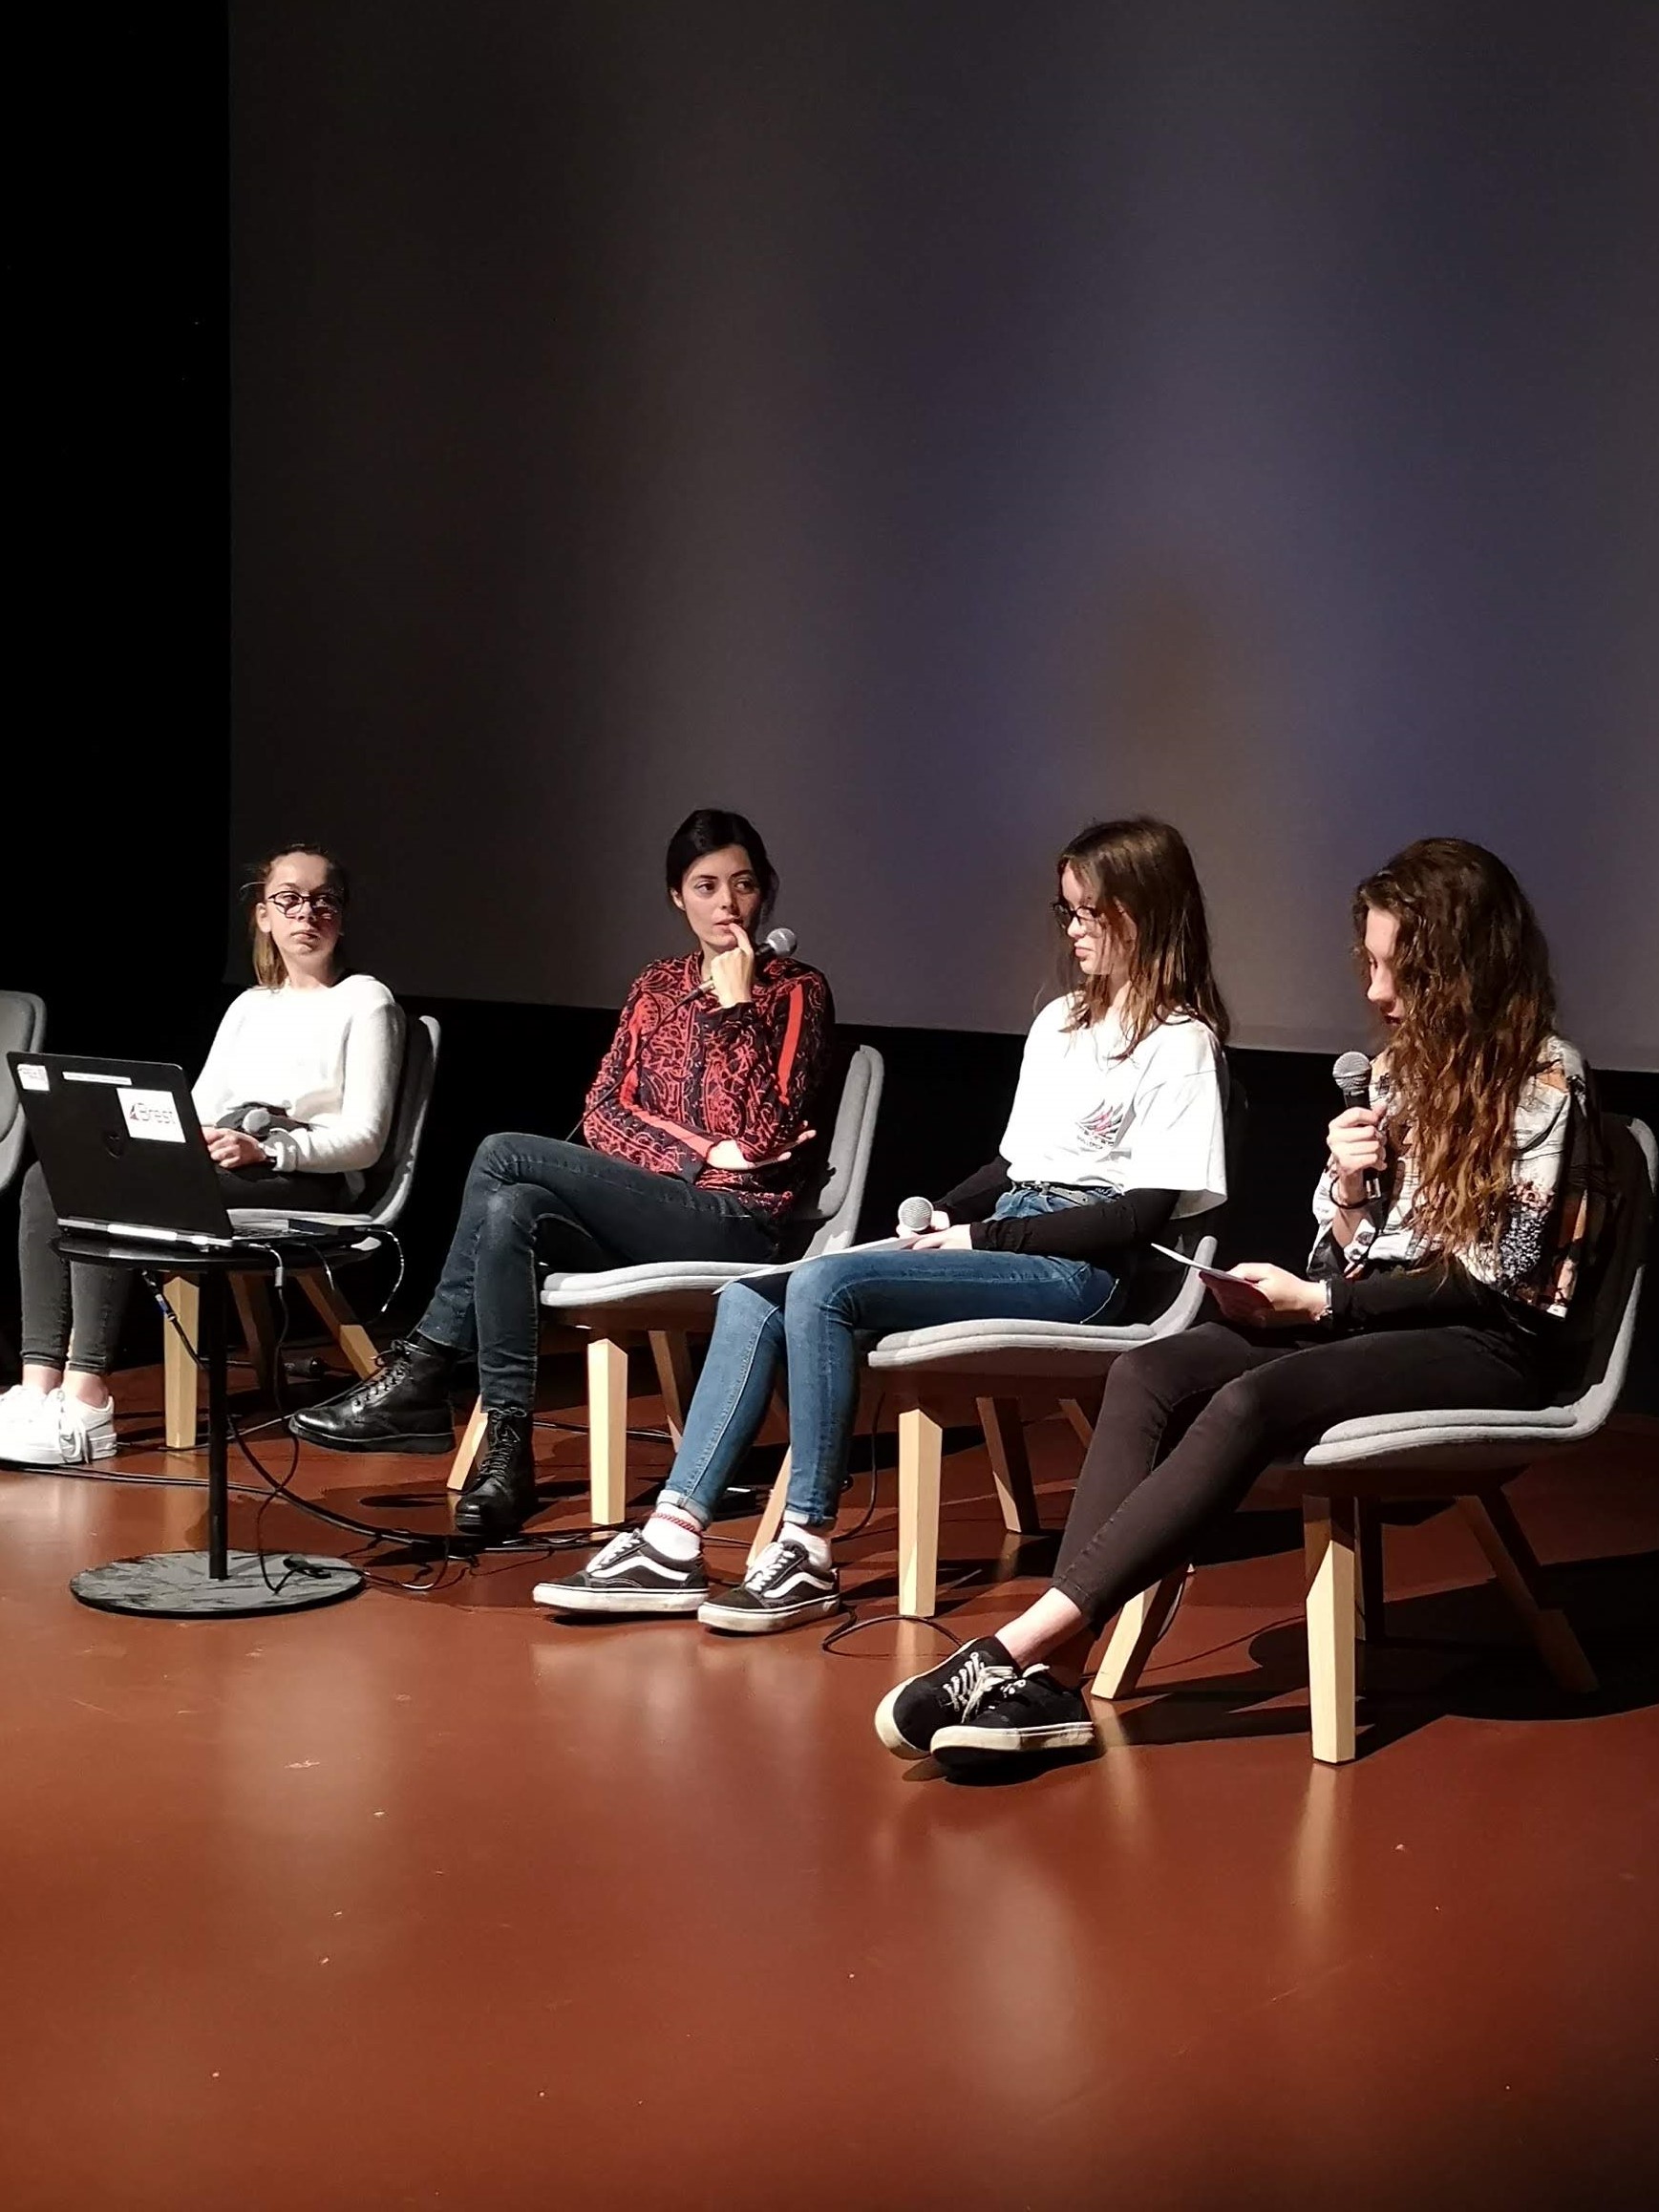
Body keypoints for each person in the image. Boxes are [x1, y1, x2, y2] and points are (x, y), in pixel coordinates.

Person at [877, 837, 1606, 1770]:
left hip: (1492, 1339)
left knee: (1251, 1400)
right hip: (1380, 1314)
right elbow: (1345, 1258)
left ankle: (1016, 1651)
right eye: (1371, 966)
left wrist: (1325, 1305)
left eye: (1401, 971)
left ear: (1467, 966)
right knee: (1151, 1367)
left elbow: (1492, 1275)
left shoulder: (1543, 1075)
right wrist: (1346, 1199)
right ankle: (1053, 1687)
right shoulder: (1393, 1075)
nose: (1378, 995)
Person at [539, 816, 1230, 1631]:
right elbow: (1013, 1168)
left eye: (1089, 914)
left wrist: (980, 1239)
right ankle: (672, 1538)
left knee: (827, 1284)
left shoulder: (1182, 1042)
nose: (1073, 931)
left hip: (1086, 1272)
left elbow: (1139, 1214)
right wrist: (946, 1212)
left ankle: (804, 1548)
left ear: (1143, 913)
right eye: (1066, 913)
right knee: (751, 1299)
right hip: (1016, 1230)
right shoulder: (1061, 1022)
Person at [290, 809, 834, 1541]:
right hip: (661, 1200)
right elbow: (604, 1110)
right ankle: (507, 1457)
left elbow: (768, 1134)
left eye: (741, 885)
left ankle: (423, 1370)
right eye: (705, 886)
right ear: (678, 897)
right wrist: (698, 1153)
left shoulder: (795, 991)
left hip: (739, 1221)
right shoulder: (656, 986)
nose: (726, 904)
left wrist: (737, 1006)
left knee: (502, 1151)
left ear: (765, 890)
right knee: (512, 1207)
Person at [0, 845, 402, 1470]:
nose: (308, 912)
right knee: (48, 1177)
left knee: (117, 1192)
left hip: (305, 1178)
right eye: (289, 899)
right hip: (225, 1158)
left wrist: (269, 1147)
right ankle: (38, 1384)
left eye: (324, 900)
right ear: (264, 917)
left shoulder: (364, 1000)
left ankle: (87, 1397)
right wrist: (161, 1135)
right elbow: (199, 1107)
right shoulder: (251, 1006)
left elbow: (366, 1138)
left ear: (342, 918)